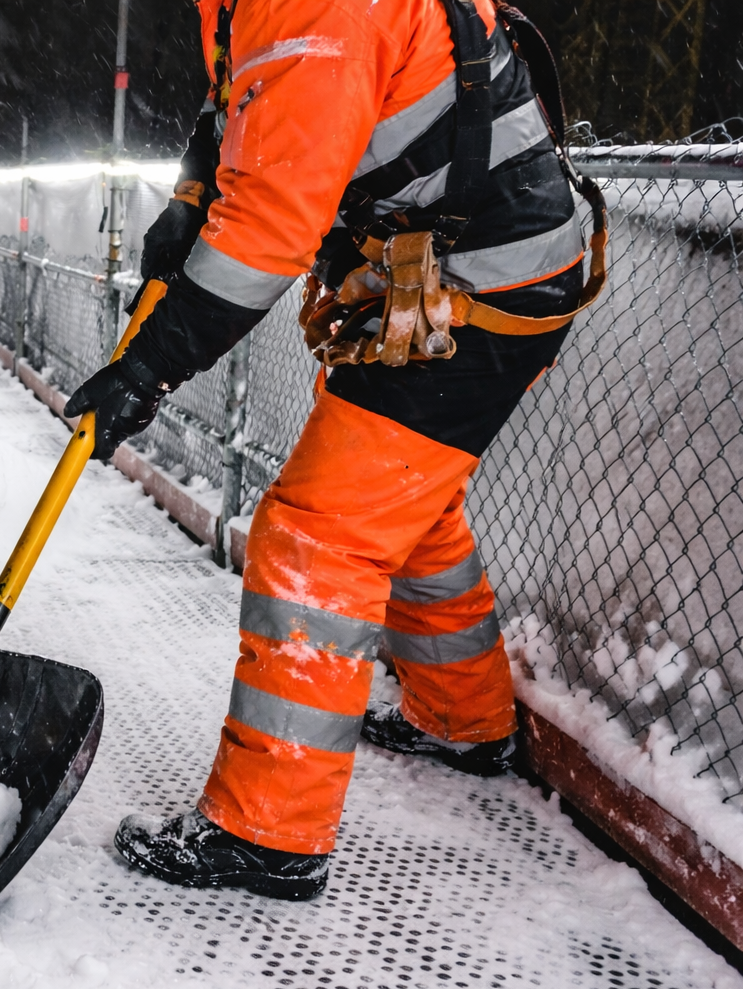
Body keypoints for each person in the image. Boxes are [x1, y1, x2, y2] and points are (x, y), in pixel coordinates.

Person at [63, 0, 604, 899]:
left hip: (487, 284)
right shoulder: (257, 6)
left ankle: (269, 834)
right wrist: (191, 203)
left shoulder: (323, 5)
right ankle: (463, 723)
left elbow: (266, 236)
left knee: (317, 534)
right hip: (464, 262)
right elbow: (238, 105)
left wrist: (144, 373)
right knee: (405, 506)